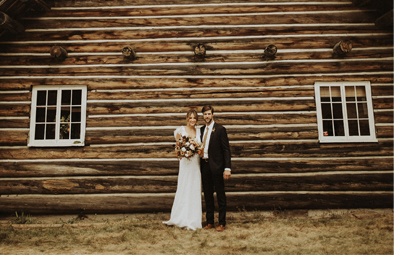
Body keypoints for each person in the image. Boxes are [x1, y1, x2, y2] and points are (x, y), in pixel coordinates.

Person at [163, 109, 202, 230]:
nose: (192, 120)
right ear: (187, 118)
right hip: (185, 163)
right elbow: (177, 149)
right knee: (184, 187)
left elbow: (201, 148)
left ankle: (193, 219)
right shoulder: (180, 130)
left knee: (194, 188)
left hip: (195, 163)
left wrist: (196, 150)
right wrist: (185, 152)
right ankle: (180, 216)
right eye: (190, 118)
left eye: (194, 118)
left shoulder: (199, 131)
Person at [200, 105, 232, 232]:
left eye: (209, 114)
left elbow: (226, 150)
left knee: (220, 195)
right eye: (205, 114)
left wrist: (227, 168)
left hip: (217, 167)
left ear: (212, 114)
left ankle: (222, 222)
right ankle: (209, 221)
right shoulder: (201, 130)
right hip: (205, 165)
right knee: (207, 194)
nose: (207, 116)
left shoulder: (220, 129)